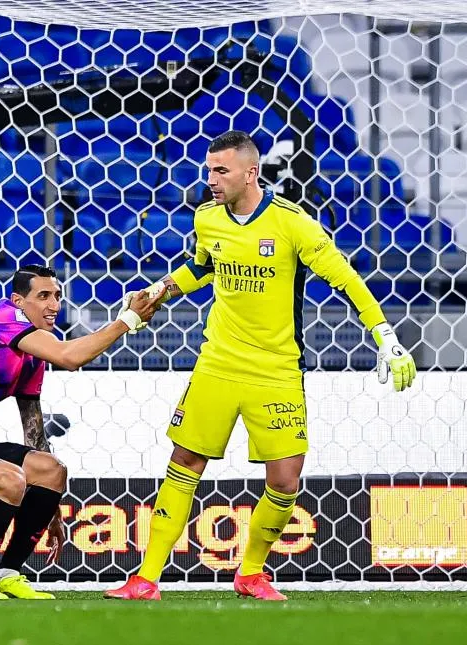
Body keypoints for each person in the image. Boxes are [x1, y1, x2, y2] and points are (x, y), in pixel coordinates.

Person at [104, 130, 417, 601]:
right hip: (218, 362)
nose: (210, 179)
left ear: (251, 173)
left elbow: (347, 280)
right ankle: (146, 578)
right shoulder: (206, 218)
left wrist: (385, 336)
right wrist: (161, 289)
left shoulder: (294, 223)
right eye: (209, 169)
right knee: (184, 462)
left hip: (276, 370)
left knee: (285, 479)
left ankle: (251, 574)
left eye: (220, 170)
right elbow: (204, 267)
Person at [0, 264, 164, 600]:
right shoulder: (2, 318)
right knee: (10, 479)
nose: (54, 305)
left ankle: (9, 575)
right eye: (44, 296)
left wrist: (47, 504)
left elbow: (32, 428)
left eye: (58, 297)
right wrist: (128, 321)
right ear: (18, 301)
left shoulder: (32, 355)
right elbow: (69, 357)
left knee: (50, 470)